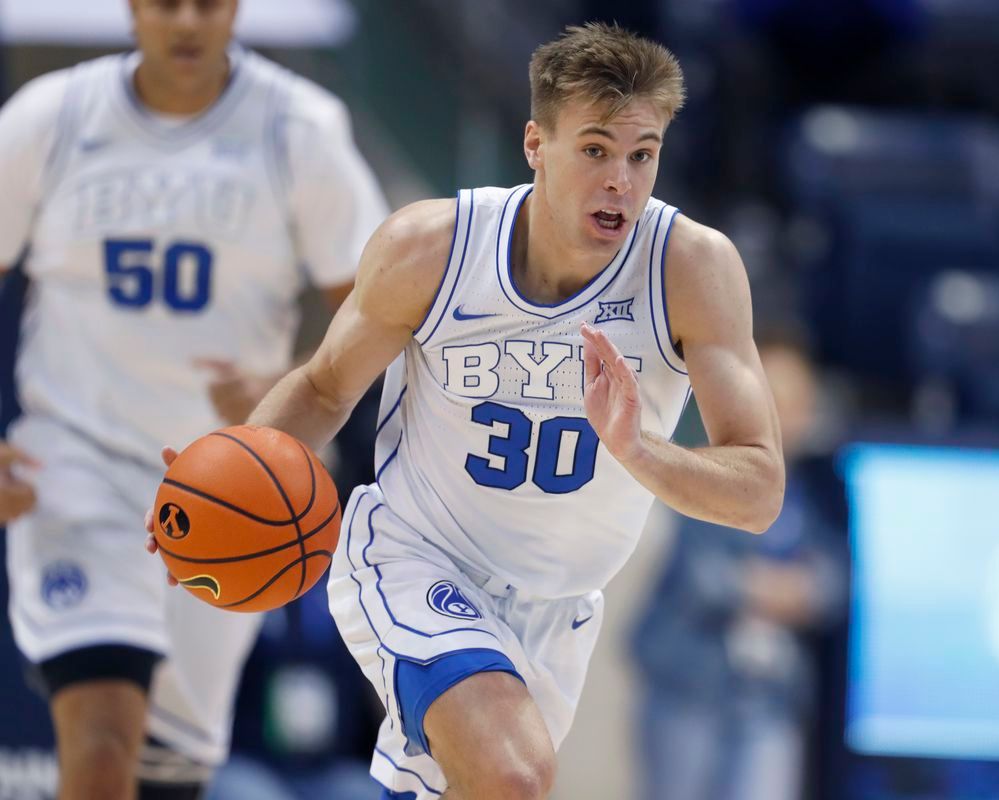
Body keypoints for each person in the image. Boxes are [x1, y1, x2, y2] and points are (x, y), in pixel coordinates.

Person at [148, 21, 786, 800]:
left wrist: (642, 449)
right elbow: (322, 389)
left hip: (559, 603)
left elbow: (758, 492)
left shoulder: (692, 269)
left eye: (641, 154)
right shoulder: (432, 249)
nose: (620, 178)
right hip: (418, 555)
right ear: (535, 145)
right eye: (594, 149)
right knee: (511, 775)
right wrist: (215, 492)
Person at [0, 1, 389, 798]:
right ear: (133, 8)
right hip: (76, 465)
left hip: (226, 484)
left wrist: (291, 381)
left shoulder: (298, 128)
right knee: (102, 736)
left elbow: (380, 304)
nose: (185, 22)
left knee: (169, 772)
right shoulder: (53, 117)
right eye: (165, 2)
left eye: (206, 3)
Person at [630, 332, 848, 800]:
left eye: (796, 401)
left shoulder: (820, 490)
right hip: (690, 684)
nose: (785, 414)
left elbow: (833, 585)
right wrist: (784, 591)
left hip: (769, 695)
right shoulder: (706, 467)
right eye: (773, 396)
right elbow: (705, 579)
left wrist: (778, 589)